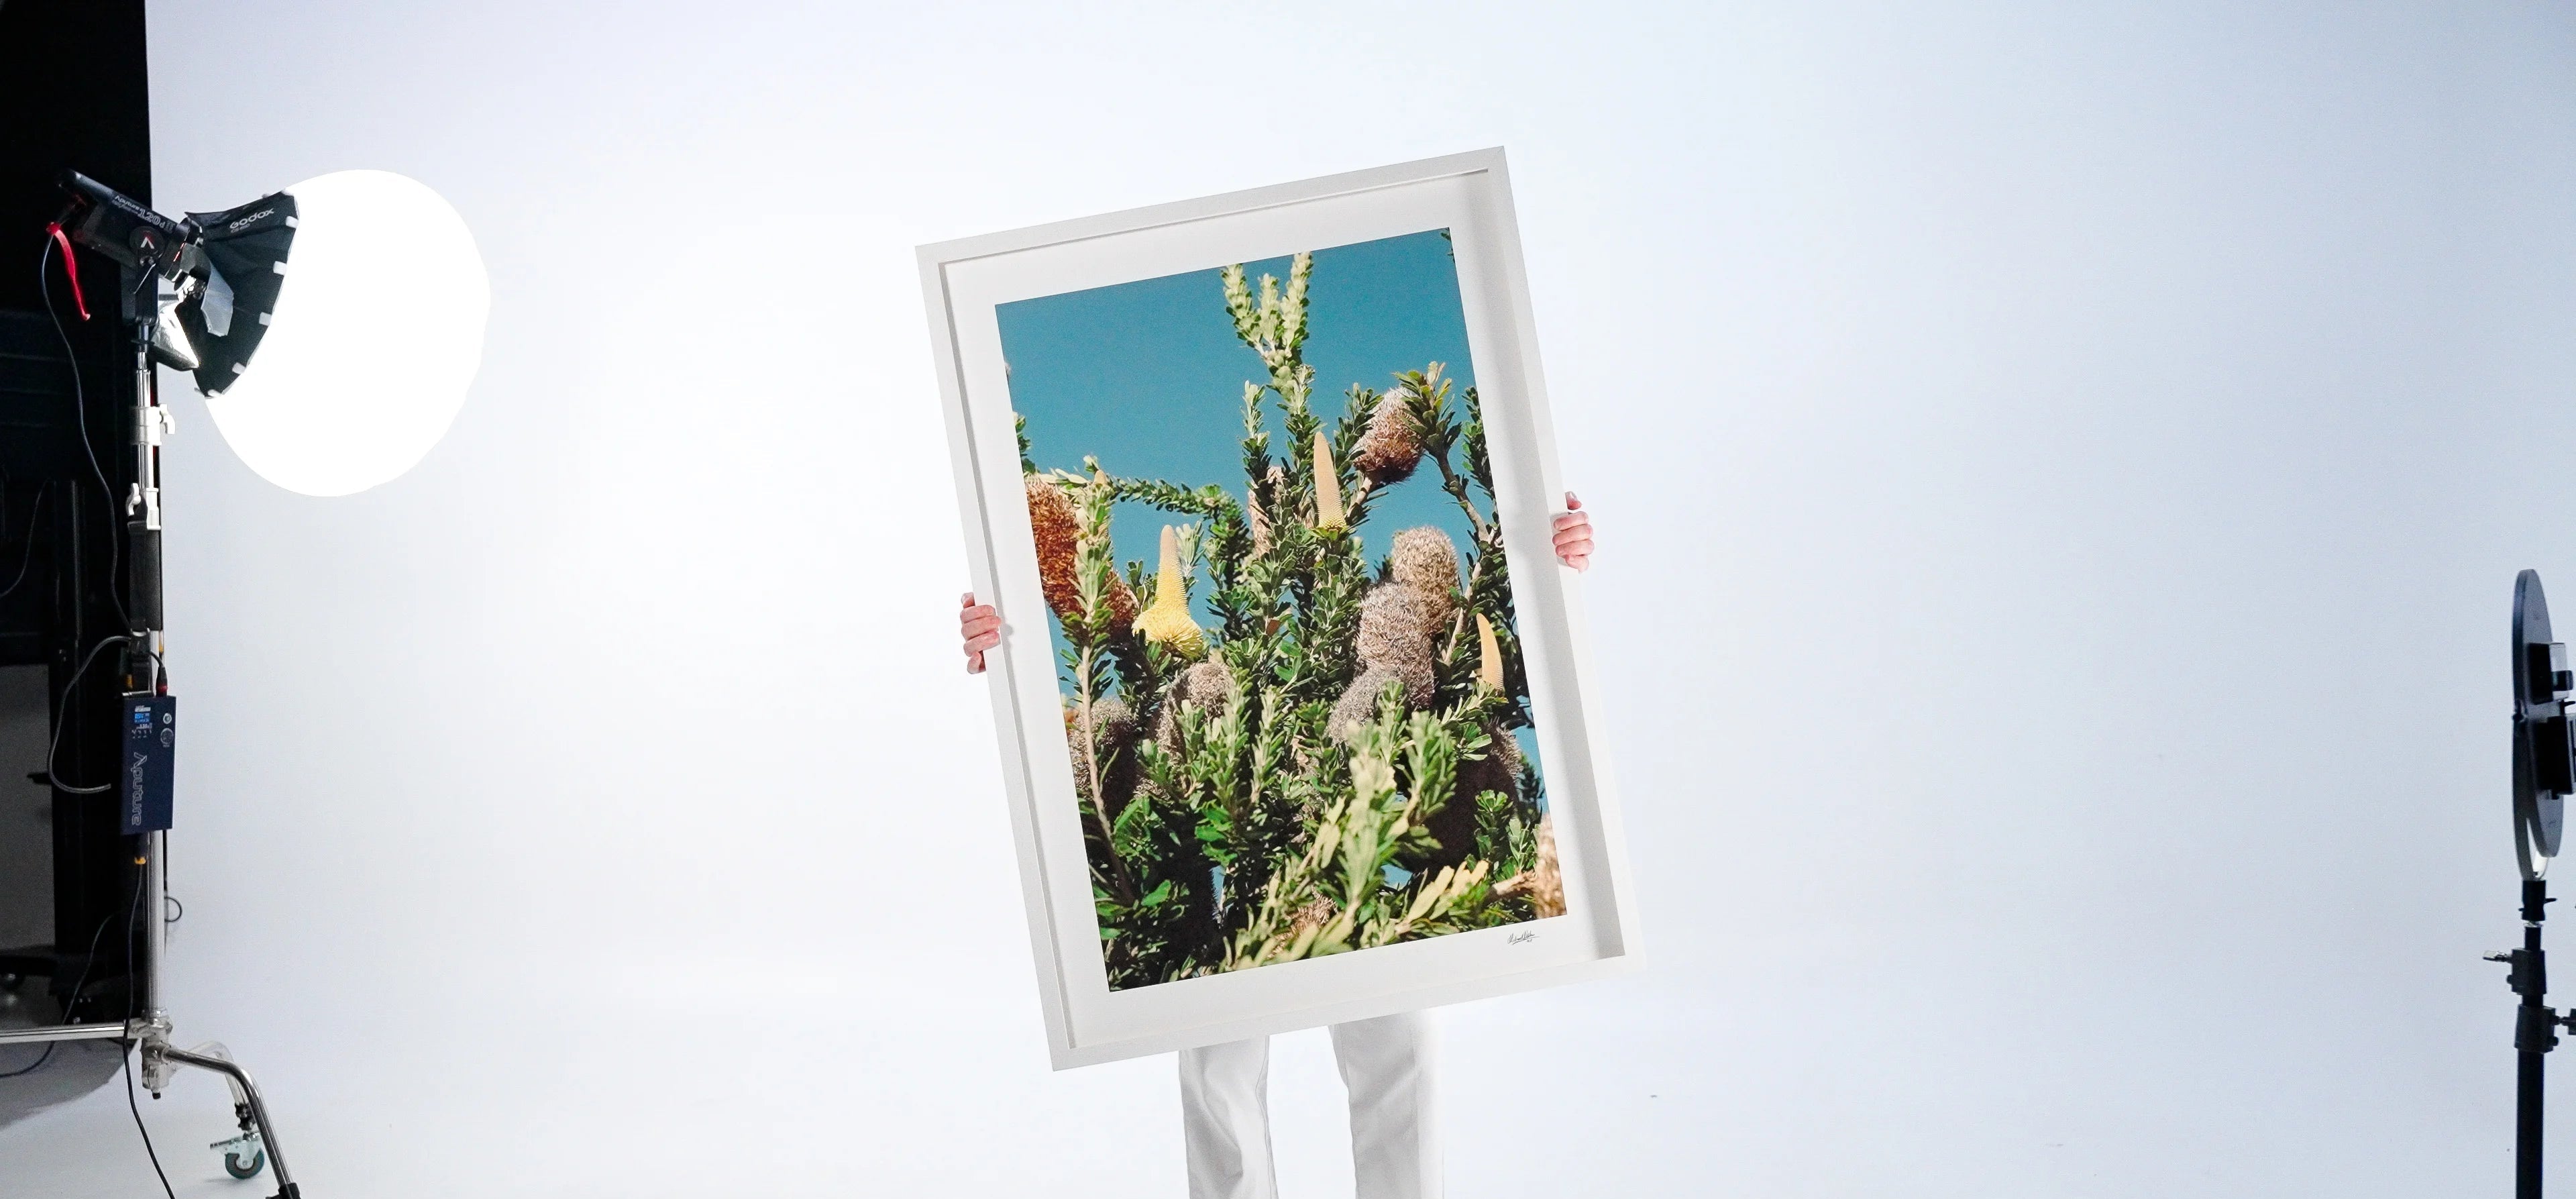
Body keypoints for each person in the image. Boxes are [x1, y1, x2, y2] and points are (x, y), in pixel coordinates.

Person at [958, 493, 1597, 1199]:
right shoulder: (1210, 670)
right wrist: (1007, 653)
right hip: (1238, 880)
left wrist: (1549, 568)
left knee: (1396, 1043)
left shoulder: (1370, 627)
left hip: (1347, 862)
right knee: (1218, 1064)